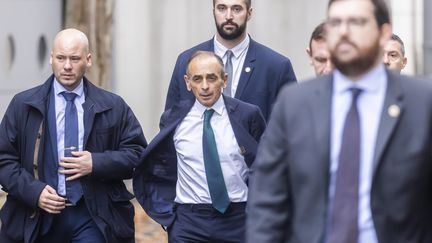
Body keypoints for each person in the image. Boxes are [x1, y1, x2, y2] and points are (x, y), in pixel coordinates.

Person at [247, 0, 432, 243]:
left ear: (383, 32)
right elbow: (267, 200)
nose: (344, 31)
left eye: (357, 22)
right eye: (335, 23)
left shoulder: (422, 102)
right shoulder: (294, 104)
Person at [0, 28, 147, 243]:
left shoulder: (113, 106)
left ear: (88, 60)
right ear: (51, 58)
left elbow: (138, 155)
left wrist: (96, 163)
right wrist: (34, 192)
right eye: (61, 58)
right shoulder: (23, 105)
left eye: (75, 58)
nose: (67, 66)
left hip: (93, 216)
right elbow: (3, 159)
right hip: (37, 215)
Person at [134, 51, 266, 243]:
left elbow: (264, 166)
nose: (205, 86)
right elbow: (163, 166)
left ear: (224, 80)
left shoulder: (248, 115)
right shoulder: (173, 119)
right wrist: (169, 217)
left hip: (238, 220)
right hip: (188, 222)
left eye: (211, 78)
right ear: (188, 82)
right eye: (197, 79)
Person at [164, 0, 297, 121]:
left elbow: (291, 126)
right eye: (222, 8)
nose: (228, 16)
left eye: (236, 9)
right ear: (213, 12)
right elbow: (170, 122)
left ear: (249, 13)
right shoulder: (186, 62)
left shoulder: (276, 66)